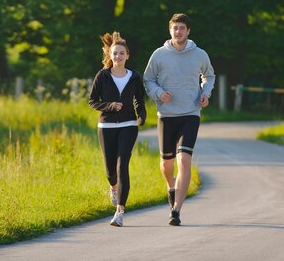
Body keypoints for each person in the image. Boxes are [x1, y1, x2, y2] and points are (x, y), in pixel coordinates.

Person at [143, 13, 215, 226]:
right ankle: (170, 186)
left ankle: (176, 211)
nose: (178, 32)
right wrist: (158, 93)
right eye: (175, 28)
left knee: (184, 159)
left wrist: (205, 93)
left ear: (188, 31)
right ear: (170, 30)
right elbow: (148, 79)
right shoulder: (158, 55)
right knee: (167, 164)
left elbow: (209, 76)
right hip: (166, 115)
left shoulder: (199, 54)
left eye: (182, 28)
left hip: (190, 114)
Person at [88, 31, 146, 227]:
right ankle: (113, 187)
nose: (118, 57)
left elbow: (139, 99)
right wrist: (110, 106)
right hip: (106, 125)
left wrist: (142, 115)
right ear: (110, 56)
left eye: (122, 53)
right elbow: (92, 101)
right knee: (110, 169)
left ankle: (120, 211)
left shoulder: (134, 77)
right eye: (115, 54)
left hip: (129, 125)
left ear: (127, 56)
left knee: (122, 166)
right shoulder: (102, 76)